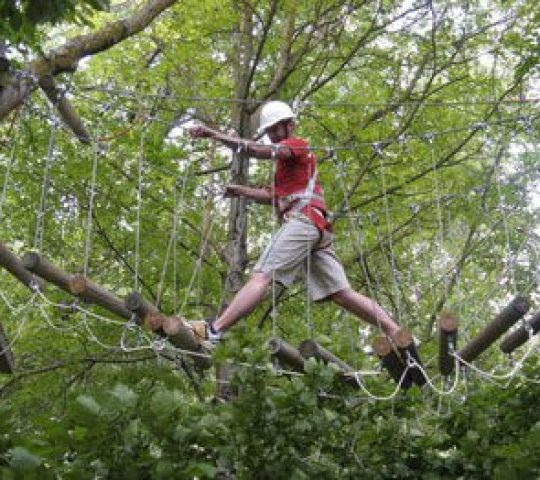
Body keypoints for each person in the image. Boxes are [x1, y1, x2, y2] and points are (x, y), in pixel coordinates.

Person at [187, 100, 402, 345]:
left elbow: (255, 151)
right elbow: (274, 196)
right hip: (317, 229)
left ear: (289, 125)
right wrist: (241, 192)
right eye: (268, 131)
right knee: (341, 294)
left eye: (274, 129)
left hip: (303, 223)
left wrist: (212, 134)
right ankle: (397, 332)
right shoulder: (288, 167)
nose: (271, 136)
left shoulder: (297, 146)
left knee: (262, 276)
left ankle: (214, 330)